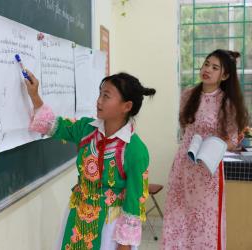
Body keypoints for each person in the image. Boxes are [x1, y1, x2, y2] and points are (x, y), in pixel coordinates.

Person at [24, 70, 156, 250]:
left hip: (110, 226)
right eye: (100, 94)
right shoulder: (86, 129)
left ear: (126, 106)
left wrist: (124, 245)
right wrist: (34, 95)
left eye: (106, 96)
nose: (99, 100)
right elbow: (54, 126)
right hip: (78, 215)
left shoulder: (135, 150)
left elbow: (135, 200)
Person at [161, 49, 249, 250]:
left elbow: (233, 138)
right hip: (183, 166)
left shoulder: (226, 102)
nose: (207, 69)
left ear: (225, 75)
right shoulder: (188, 94)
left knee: (204, 224)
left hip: (207, 170)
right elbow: (186, 129)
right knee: (178, 220)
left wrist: (214, 145)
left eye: (214, 67)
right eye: (206, 64)